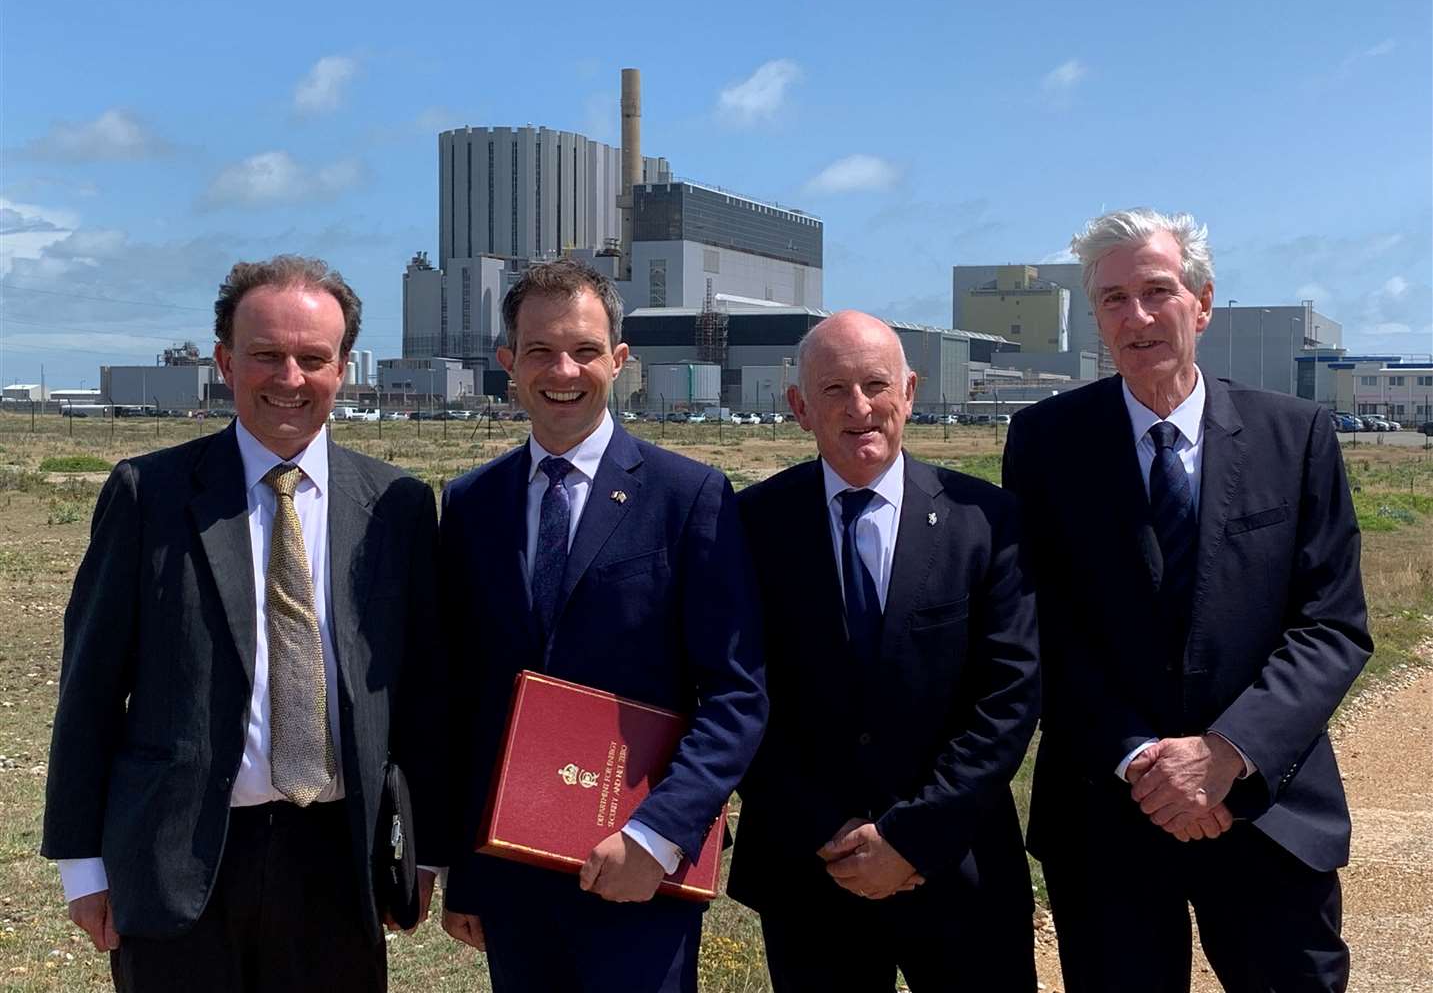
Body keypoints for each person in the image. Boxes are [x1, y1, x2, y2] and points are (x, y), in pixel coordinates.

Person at [41, 256, 447, 992]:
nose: (288, 378)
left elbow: (421, 694)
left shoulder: (398, 506)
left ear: (343, 369)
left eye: (311, 358)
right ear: (226, 362)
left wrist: (422, 855)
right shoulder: (150, 494)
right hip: (178, 856)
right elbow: (90, 688)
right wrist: (82, 867)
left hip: (337, 858)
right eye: (266, 356)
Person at [1002, 209, 1372, 992]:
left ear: (1200, 303)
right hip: (1107, 812)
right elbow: (1044, 626)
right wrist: (1145, 760)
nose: (1135, 317)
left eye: (1156, 291)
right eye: (1112, 299)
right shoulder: (1044, 442)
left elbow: (1330, 625)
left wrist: (1223, 754)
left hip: (1266, 807)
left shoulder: (1294, 436)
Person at [438, 259, 766, 993]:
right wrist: (465, 865)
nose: (564, 370)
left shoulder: (690, 498)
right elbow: (462, 696)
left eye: (585, 350)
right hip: (512, 870)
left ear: (619, 361)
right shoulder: (470, 505)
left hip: (641, 865)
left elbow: (735, 694)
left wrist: (657, 837)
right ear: (506, 365)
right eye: (540, 350)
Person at [730, 310, 1040, 993]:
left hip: (958, 866)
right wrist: (826, 829)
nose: (859, 408)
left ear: (910, 391)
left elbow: (1007, 697)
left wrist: (912, 837)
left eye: (876, 385)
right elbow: (737, 694)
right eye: (834, 389)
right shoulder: (749, 526)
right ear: (798, 407)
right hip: (810, 870)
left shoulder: (983, 521)